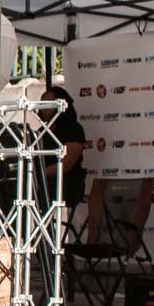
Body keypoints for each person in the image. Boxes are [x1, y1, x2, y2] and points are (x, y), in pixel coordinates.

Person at [41, 84, 88, 213]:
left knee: (31, 185)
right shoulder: (41, 131)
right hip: (41, 180)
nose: (44, 109)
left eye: (49, 105)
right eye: (42, 104)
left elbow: (66, 164)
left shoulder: (74, 130)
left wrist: (38, 174)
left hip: (65, 182)